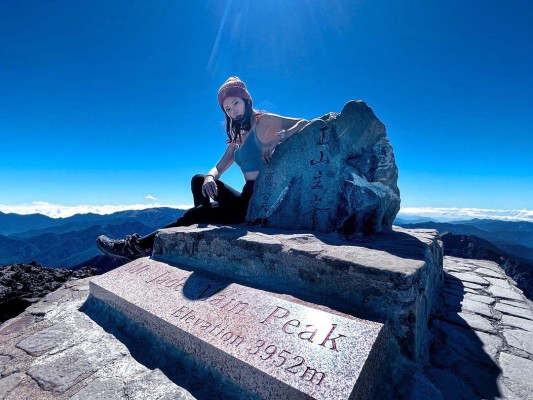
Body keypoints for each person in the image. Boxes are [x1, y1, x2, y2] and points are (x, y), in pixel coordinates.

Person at [96, 76, 308, 260]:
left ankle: (136, 247)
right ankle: (201, 226)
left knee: (195, 213)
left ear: (246, 100)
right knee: (198, 179)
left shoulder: (265, 121)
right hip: (246, 196)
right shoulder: (237, 138)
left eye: (236, 103)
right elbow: (219, 166)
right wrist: (209, 177)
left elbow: (306, 122)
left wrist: (278, 138)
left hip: (261, 198)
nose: (233, 111)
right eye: (227, 108)